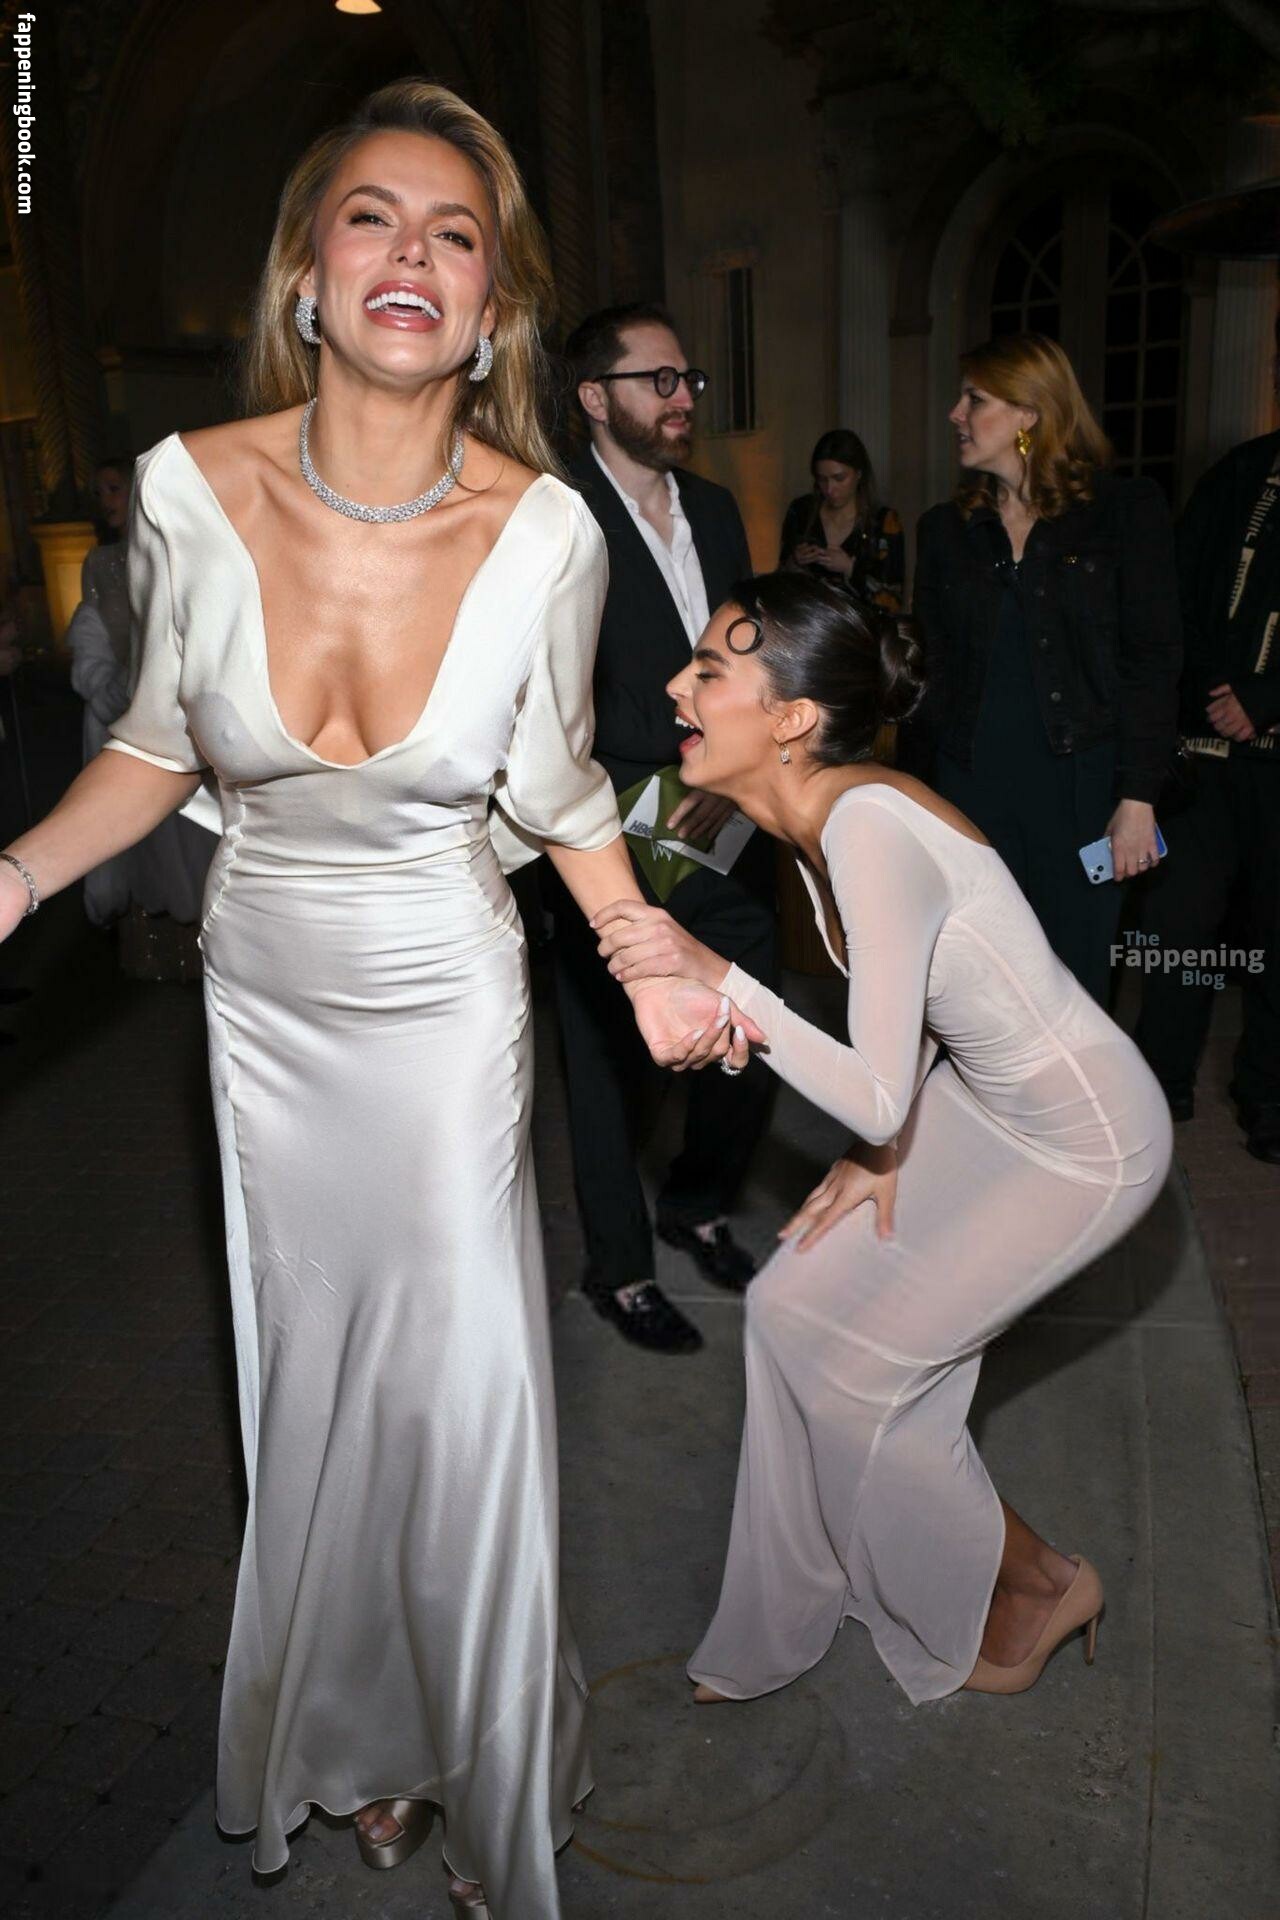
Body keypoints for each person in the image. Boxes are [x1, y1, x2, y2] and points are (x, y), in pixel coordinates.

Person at [0, 82, 756, 1920]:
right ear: (307, 276)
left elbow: (559, 791)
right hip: (264, 1011)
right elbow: (158, 743)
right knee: (315, 1394)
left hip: (441, 1005)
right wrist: (13, 873)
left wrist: (649, 953)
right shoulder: (187, 490)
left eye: (455, 233)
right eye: (371, 216)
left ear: (490, 308)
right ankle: (366, 1737)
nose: (412, 250)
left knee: (459, 1399)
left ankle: (490, 1774)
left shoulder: (548, 532)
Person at [590, 572, 1172, 1711]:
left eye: (708, 671)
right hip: (978, 1096)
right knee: (786, 1306)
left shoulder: (863, 826)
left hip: (1086, 1138)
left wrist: (724, 982)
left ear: (792, 718)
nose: (674, 688)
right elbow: (918, 1022)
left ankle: (1043, 1582)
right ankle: (790, 1601)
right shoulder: (806, 815)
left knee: (863, 1377)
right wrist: (881, 1148)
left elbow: (868, 1091)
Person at [550, 302, 779, 1354]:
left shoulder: (718, 509)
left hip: (726, 803)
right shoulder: (553, 514)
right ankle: (621, 1268)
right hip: (601, 817)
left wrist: (735, 766)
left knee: (754, 1014)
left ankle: (697, 1203)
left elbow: (749, 656)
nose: (683, 396)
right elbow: (551, 692)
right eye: (659, 380)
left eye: (688, 379)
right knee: (607, 1052)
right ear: (595, 399)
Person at [910, 333, 1181, 1006]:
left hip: (1081, 792)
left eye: (975, 399)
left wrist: (1138, 797)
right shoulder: (945, 530)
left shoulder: (1122, 512)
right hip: (971, 792)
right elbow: (929, 671)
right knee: (977, 993)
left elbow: (1153, 659)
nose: (955, 414)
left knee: (1073, 990)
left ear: (1029, 413)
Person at [1135, 427, 1280, 1158]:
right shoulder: (1240, 471)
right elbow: (1179, 592)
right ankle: (1159, 1084)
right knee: (1176, 929)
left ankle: (1269, 1097)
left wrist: (1267, 697)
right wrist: (1209, 691)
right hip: (1204, 753)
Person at [65, 454, 213, 962]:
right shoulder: (101, 562)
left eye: (113, 488)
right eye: (98, 492)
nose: (105, 501)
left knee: (191, 831)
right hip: (123, 713)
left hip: (178, 714)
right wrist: (117, 689)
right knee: (133, 831)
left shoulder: (181, 549)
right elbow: (99, 633)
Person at [779, 428, 904, 611]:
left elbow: (892, 600)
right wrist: (794, 562)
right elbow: (779, 583)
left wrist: (850, 568)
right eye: (822, 479)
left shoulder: (883, 522)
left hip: (862, 625)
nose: (830, 489)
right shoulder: (801, 511)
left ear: (859, 473)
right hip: (808, 622)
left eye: (839, 478)